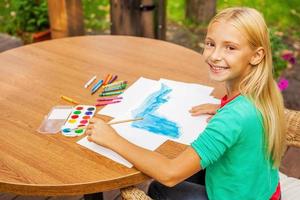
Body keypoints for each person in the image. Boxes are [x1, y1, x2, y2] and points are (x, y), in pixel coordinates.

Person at [86, 7, 286, 200]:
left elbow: (169, 174)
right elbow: (245, 120)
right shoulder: (262, 92)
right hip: (264, 191)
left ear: (256, 55)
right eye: (210, 44)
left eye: (230, 48)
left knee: (159, 187)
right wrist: (223, 107)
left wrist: (112, 139)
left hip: (234, 195)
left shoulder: (234, 118)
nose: (214, 56)